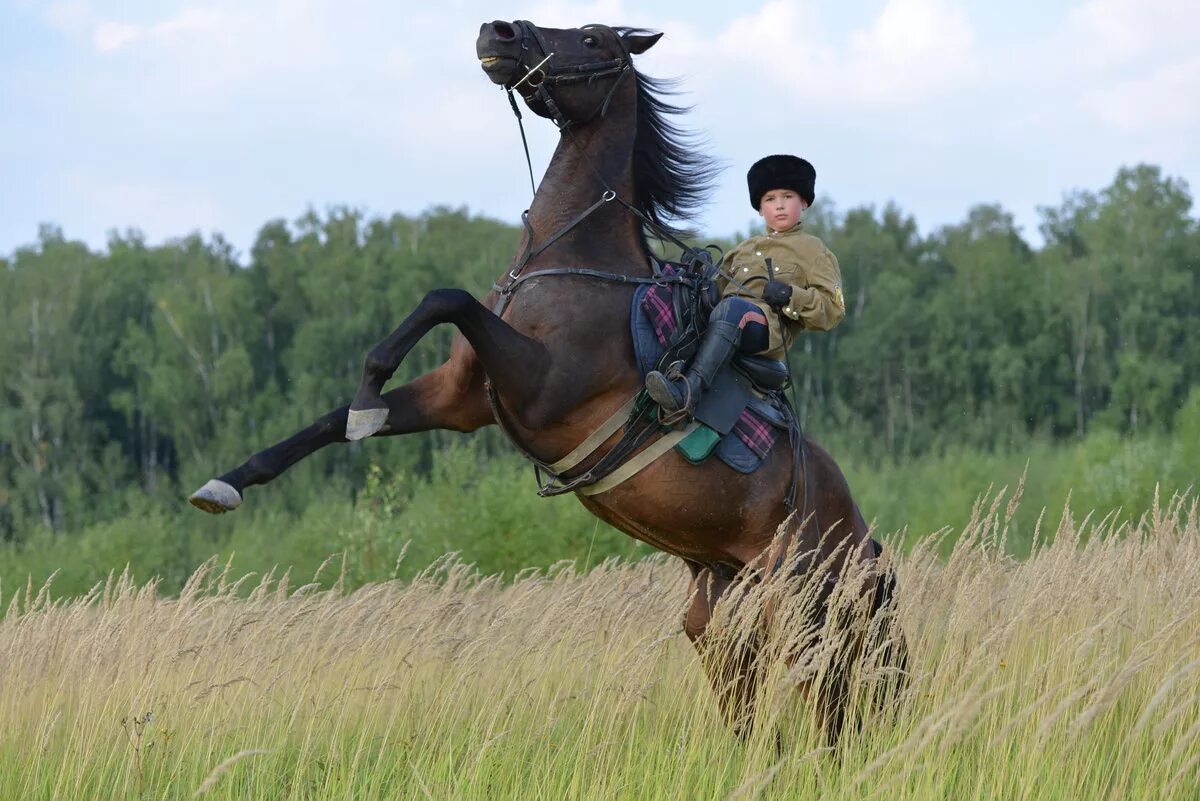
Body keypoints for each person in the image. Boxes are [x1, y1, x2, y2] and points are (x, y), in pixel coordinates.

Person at [645, 154, 846, 415]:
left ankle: (688, 393)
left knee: (733, 311)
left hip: (766, 329)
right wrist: (694, 273)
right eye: (770, 199)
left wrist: (790, 295)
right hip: (726, 316)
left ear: (804, 202)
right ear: (761, 209)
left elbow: (833, 311)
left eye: (788, 196)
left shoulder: (814, 251)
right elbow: (713, 294)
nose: (780, 205)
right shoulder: (743, 249)